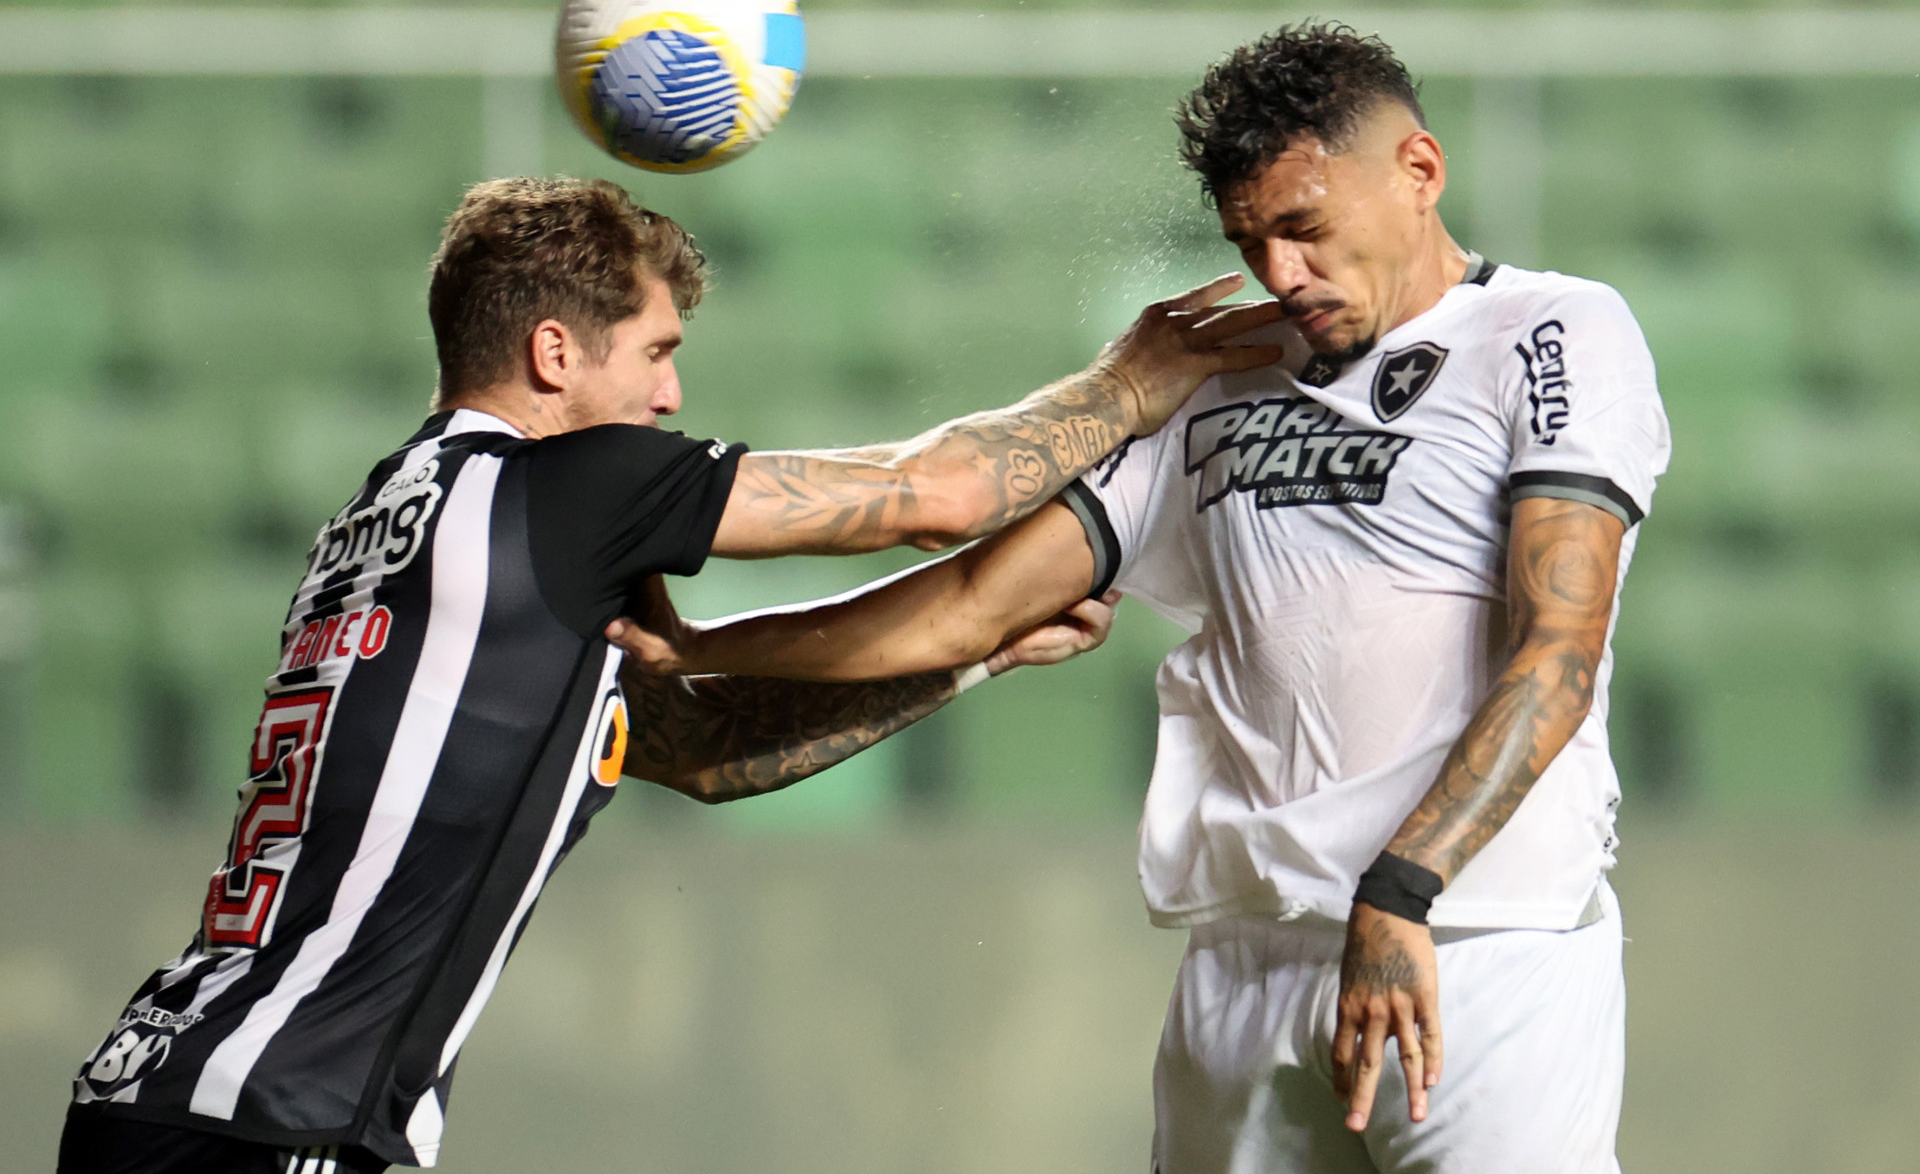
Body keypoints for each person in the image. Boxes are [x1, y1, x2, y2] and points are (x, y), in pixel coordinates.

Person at [59, 175, 1285, 1174]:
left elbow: (704, 751)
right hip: (268, 1117)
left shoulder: (395, 522)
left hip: (178, 1084)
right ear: (554, 352)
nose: (671, 392)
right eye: (654, 350)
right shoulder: (563, 490)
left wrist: (978, 654)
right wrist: (1127, 385)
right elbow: (942, 494)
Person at [607, 23, 1672, 1173]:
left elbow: (1557, 650)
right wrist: (706, 649)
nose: (1281, 272)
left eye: (1305, 227)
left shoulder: (1551, 331)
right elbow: (972, 603)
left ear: (1419, 170)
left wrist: (1404, 886)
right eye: (1250, 240)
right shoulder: (1221, 375)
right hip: (1246, 957)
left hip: (1476, 938)